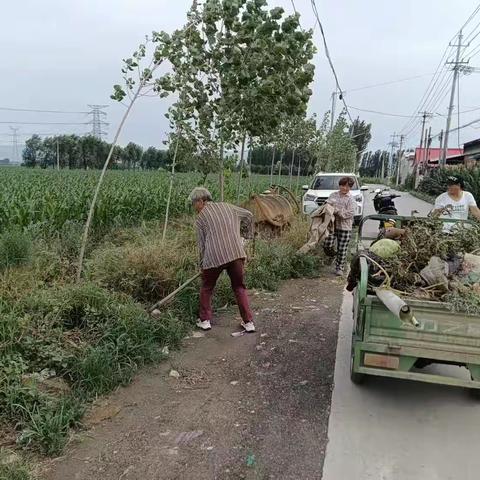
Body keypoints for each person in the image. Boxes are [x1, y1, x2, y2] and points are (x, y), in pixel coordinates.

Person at [189, 187, 256, 333]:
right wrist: (246, 236)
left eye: (194, 203)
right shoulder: (229, 207)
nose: (194, 207)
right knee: (239, 287)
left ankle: (205, 320)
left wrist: (202, 264)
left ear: (201, 201)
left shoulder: (200, 219)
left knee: (207, 287)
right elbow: (249, 215)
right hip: (236, 253)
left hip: (213, 257)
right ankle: (249, 323)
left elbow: (201, 246)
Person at [323, 177, 356, 276]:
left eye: (347, 186)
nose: (345, 188)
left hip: (345, 227)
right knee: (327, 244)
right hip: (332, 225)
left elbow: (350, 213)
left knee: (342, 248)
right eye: (343, 185)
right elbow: (328, 205)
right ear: (340, 185)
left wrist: (337, 211)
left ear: (350, 187)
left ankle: (339, 268)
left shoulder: (351, 199)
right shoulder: (333, 195)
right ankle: (333, 255)